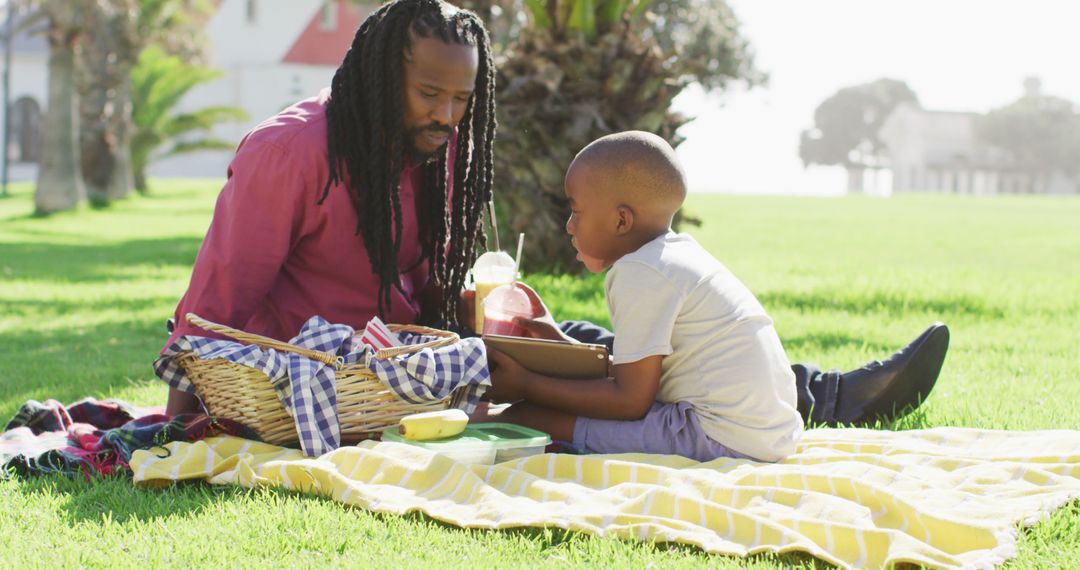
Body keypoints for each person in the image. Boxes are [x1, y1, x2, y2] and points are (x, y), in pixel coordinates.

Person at [160, 0, 949, 429]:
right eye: (428, 94)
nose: (447, 114)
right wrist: (174, 427)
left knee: (582, 342)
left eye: (461, 99)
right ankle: (830, 401)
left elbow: (419, 283)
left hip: (421, 350)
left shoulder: (443, 145)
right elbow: (216, 299)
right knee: (600, 356)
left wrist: (496, 310)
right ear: (374, 78)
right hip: (326, 367)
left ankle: (826, 396)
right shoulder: (290, 153)